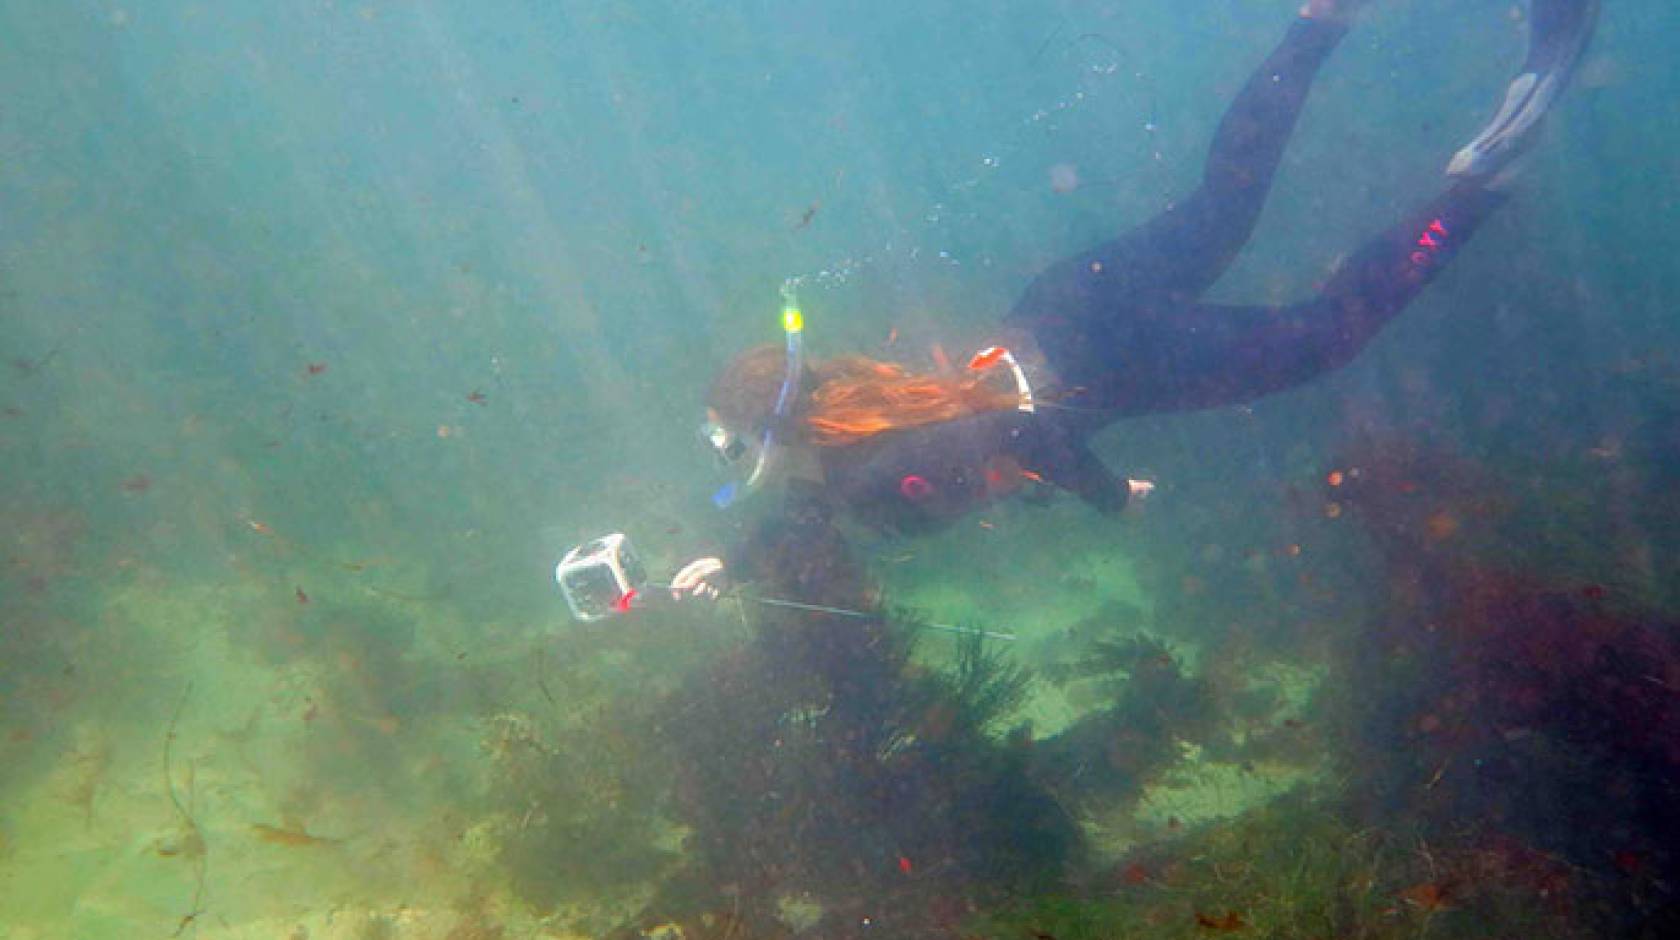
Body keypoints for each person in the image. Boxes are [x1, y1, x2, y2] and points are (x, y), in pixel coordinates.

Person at [672, 0, 1601, 601]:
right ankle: (1322, 21)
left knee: (1326, 335)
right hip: (1067, 305)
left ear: (769, 429)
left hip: (1113, 363)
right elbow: (820, 506)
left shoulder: (868, 474)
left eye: (727, 437)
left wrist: (1110, 500)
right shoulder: (850, 429)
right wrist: (734, 567)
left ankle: (1476, 187)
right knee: (1225, 207)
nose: (729, 455)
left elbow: (1028, 437)